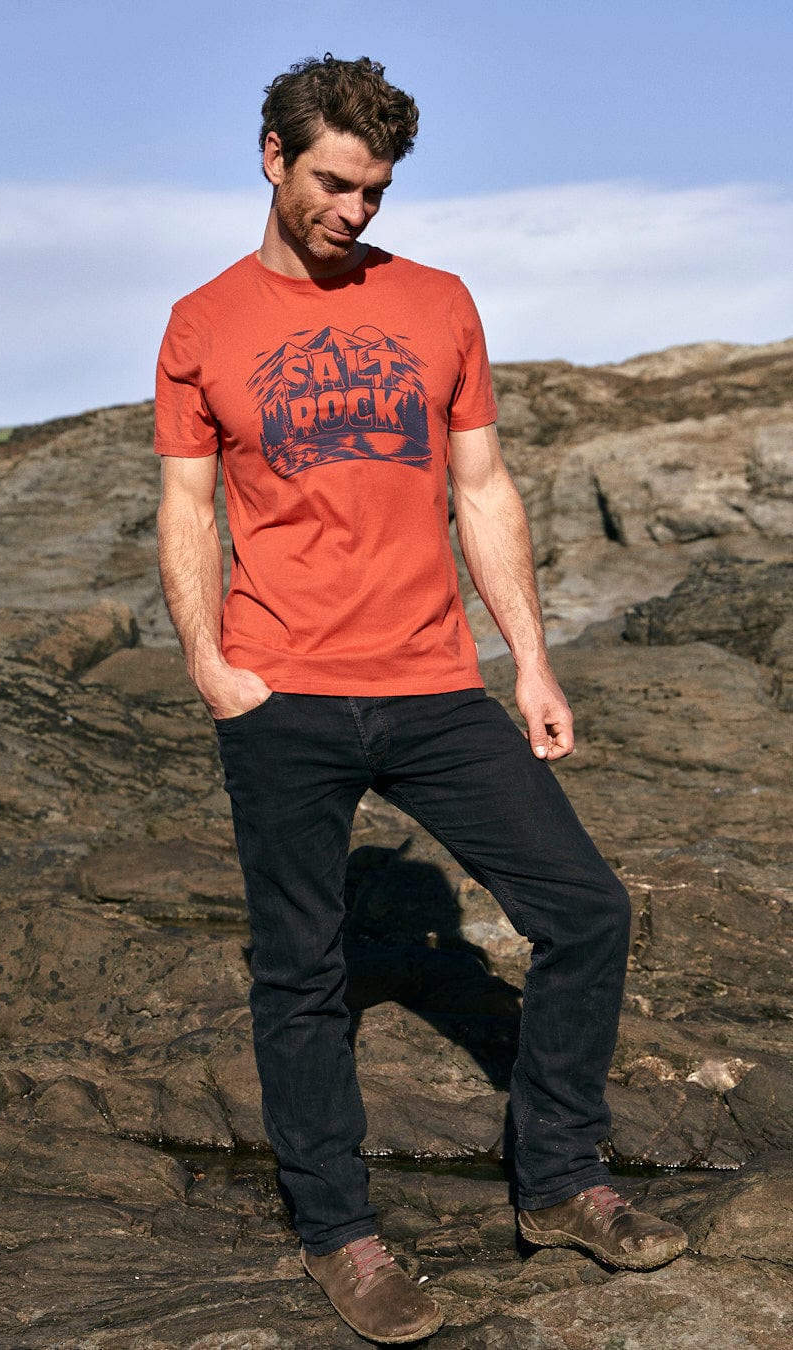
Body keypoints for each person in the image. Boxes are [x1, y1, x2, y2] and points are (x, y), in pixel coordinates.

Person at [154, 54, 687, 1345]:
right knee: (301, 970)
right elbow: (186, 504)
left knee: (585, 909)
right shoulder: (201, 322)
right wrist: (215, 669)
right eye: (334, 182)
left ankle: (558, 1180)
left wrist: (533, 659)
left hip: (436, 684)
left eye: (376, 191)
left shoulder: (440, 302)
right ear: (272, 156)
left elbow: (485, 486)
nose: (354, 211)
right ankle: (341, 1235)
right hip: (280, 694)